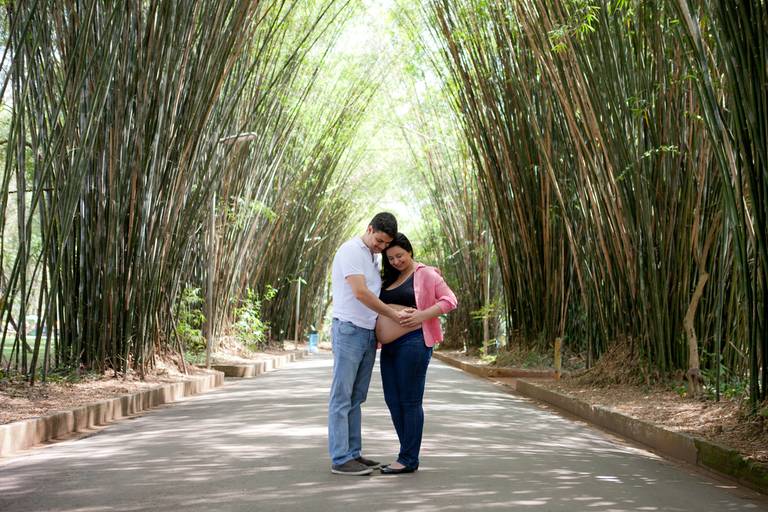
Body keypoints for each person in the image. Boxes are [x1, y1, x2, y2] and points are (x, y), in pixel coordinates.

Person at [375, 232, 457, 474]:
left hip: (414, 342)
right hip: (389, 347)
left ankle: (408, 458)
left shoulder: (426, 274)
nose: (396, 261)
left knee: (410, 401)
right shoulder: (389, 279)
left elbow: (450, 300)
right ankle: (407, 453)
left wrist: (421, 315)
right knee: (393, 400)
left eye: (399, 255)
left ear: (409, 251)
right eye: (390, 258)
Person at [328, 212, 403, 476]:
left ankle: (353, 453)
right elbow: (360, 292)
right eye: (380, 241)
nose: (382, 247)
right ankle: (340, 457)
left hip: (367, 333)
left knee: (357, 397)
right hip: (348, 329)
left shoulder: (373, 256)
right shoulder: (351, 250)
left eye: (385, 244)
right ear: (369, 229)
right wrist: (392, 315)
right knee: (342, 396)